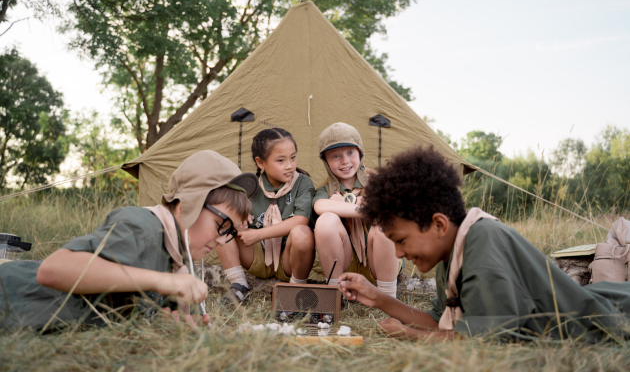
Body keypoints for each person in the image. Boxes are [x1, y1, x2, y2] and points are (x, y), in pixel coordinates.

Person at [338, 146, 630, 342]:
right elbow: (441, 322)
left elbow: (484, 339)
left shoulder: (482, 242)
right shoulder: (450, 254)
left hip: (610, 317)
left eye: (401, 241)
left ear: (439, 224)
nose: (399, 253)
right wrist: (378, 299)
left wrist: (410, 335)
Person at [0, 150, 257, 330]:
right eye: (222, 225)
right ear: (187, 205)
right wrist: (165, 281)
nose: (224, 240)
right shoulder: (142, 226)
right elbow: (53, 270)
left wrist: (170, 325)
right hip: (11, 296)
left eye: (231, 232)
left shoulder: (176, 258)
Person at [216, 128, 315, 304]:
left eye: (293, 157)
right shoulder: (248, 186)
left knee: (302, 232)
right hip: (256, 256)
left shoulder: (303, 182)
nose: (289, 165)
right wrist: (237, 219)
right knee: (222, 222)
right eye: (280, 160)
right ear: (261, 163)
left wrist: (259, 234)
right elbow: (226, 213)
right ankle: (239, 285)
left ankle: (295, 287)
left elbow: (301, 219)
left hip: (288, 260)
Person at [313, 122, 400, 298]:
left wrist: (342, 207)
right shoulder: (326, 190)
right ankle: (335, 294)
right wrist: (362, 208)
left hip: (380, 263)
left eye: (350, 153)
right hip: (346, 266)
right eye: (335, 156)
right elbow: (320, 206)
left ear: (360, 152)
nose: (345, 161)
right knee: (326, 220)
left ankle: (388, 298)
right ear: (326, 162)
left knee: (384, 223)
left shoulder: (378, 182)